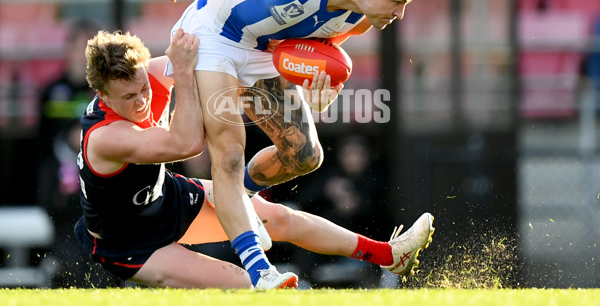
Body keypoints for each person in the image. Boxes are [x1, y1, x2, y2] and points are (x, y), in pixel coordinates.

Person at [149, 0, 431, 286]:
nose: (400, 13)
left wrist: (322, 92)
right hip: (213, 34)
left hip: (262, 48)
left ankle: (239, 199)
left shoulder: (359, 18)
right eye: (397, 0)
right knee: (229, 154)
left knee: (305, 155)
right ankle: (260, 270)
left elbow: (309, 55)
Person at [74, 30, 434, 289]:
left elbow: (226, 71)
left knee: (279, 217)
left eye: (143, 89)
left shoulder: (148, 74)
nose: (140, 100)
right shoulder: (107, 137)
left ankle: (388, 254)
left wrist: (299, 94)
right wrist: (183, 74)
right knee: (241, 284)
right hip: (129, 242)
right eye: (128, 97)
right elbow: (187, 143)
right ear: (102, 93)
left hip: (164, 199)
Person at [36, 18, 121, 287]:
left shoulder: (106, 93)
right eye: (79, 48)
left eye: (90, 51)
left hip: (99, 190)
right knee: (70, 255)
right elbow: (44, 142)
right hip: (63, 195)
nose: (84, 57)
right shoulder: (51, 91)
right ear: (68, 50)